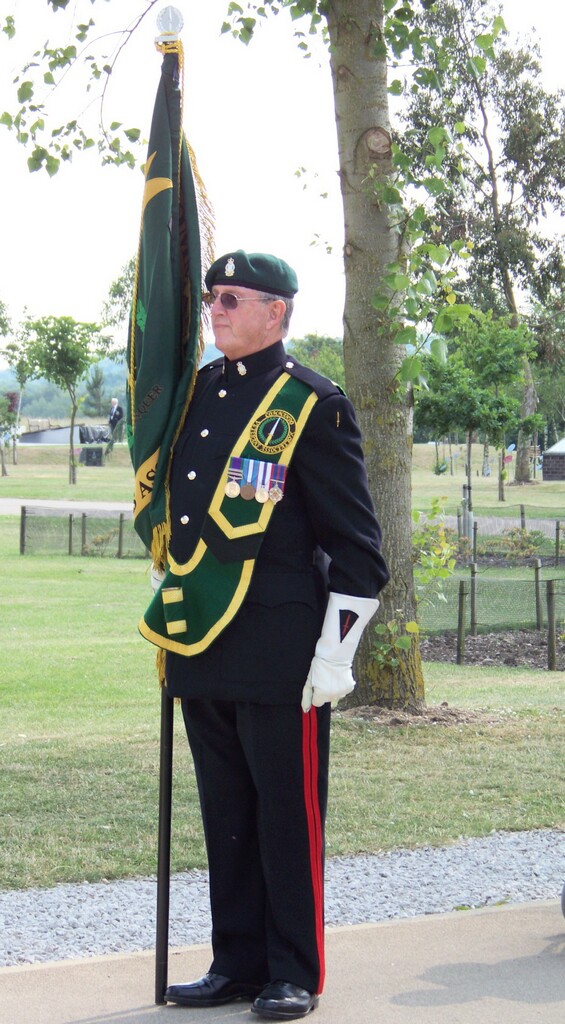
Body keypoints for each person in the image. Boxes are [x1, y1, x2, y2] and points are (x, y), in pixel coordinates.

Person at [141, 250, 389, 1020]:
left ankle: (293, 971)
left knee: (286, 813)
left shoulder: (312, 404)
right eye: (211, 298)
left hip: (283, 650)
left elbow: (357, 549)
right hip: (203, 639)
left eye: (230, 298)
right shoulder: (197, 395)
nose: (213, 309)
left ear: (276, 311)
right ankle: (237, 961)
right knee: (226, 812)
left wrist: (334, 656)